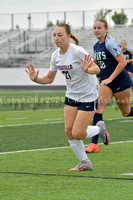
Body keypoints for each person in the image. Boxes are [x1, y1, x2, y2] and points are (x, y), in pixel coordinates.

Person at [25, 23, 109, 171]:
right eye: (54, 35)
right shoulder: (55, 55)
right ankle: (85, 162)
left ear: (69, 36)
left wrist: (87, 69)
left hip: (87, 96)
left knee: (78, 133)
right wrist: (36, 79)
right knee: (69, 132)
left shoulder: (77, 51)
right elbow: (49, 78)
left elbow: (97, 68)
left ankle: (99, 129)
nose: (56, 38)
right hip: (71, 95)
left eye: (60, 35)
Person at [85, 19, 133, 153]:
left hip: (121, 82)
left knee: (126, 112)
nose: (96, 30)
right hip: (106, 82)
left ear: (106, 30)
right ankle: (94, 145)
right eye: (94, 28)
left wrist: (111, 78)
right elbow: (96, 61)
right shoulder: (96, 44)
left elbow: (122, 62)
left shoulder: (110, 43)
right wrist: (87, 66)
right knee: (97, 110)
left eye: (99, 28)